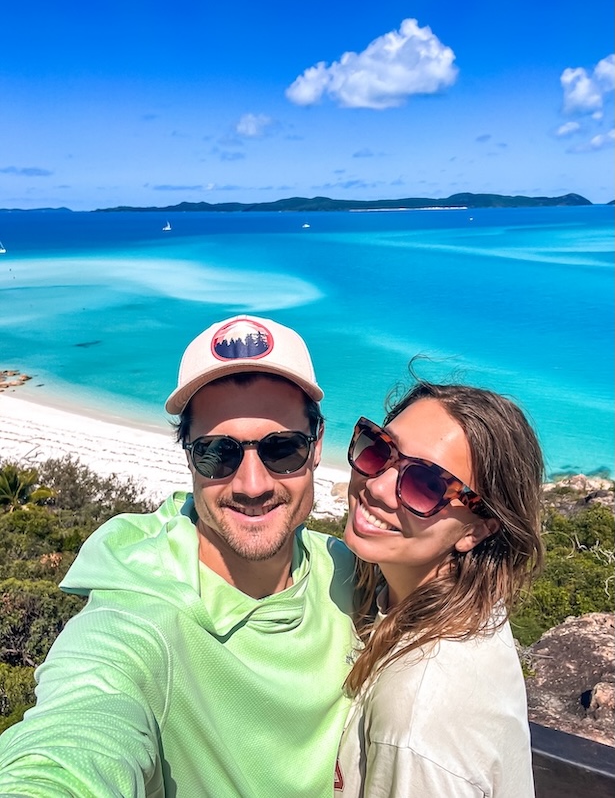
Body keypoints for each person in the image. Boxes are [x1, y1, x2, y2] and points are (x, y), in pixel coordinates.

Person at [0, 315, 357, 798]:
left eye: (282, 450)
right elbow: (80, 727)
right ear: (188, 458)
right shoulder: (142, 608)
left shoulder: (350, 570)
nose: (253, 485)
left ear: (316, 448)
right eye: (218, 454)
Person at [334, 380, 544, 797]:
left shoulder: (419, 715)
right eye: (379, 450)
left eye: (426, 485)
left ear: (478, 529)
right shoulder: (466, 610)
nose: (376, 487)